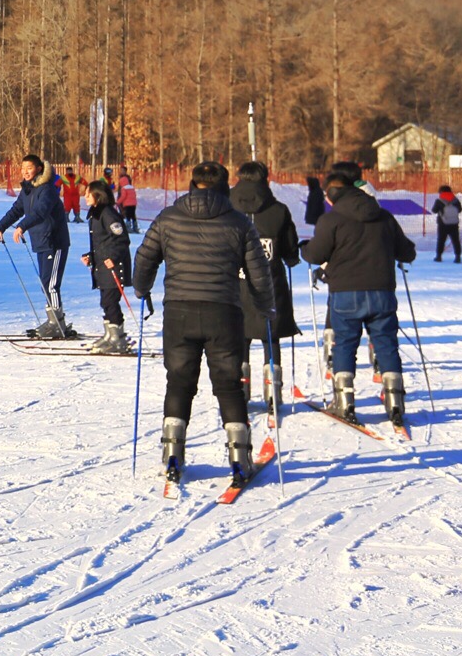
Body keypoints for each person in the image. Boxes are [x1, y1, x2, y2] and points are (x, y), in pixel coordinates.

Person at [131, 161, 278, 488]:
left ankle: (172, 453)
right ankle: (239, 459)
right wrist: (266, 305)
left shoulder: (167, 218)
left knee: (179, 381)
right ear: (225, 187)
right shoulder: (239, 223)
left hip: (179, 313)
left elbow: (144, 258)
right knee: (228, 384)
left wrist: (141, 286)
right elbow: (259, 273)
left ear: (192, 184)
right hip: (223, 312)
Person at [302, 170, 416, 428]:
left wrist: (304, 248)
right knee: (386, 344)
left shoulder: (332, 220)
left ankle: (344, 402)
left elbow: (315, 254)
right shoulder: (384, 216)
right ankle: (395, 402)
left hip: (346, 292)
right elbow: (407, 252)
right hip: (382, 291)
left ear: (331, 195)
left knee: (344, 344)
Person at [230, 161, 301, 412]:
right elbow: (290, 249)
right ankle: (273, 390)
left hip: (234, 284)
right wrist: (292, 255)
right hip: (270, 283)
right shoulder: (278, 210)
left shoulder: (226, 207)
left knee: (240, 338)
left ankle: (240, 389)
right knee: (270, 338)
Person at [0, 154, 72, 338]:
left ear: (38, 168)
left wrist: (22, 226)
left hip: (54, 242)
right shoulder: (27, 190)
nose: (25, 172)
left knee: (51, 285)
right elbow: (16, 209)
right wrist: (1, 227)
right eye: (23, 168)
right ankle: (53, 320)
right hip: (41, 242)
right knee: (45, 283)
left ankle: (56, 323)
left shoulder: (47, 189)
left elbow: (40, 212)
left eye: (29, 168)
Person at [80, 179, 133, 355]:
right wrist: (90, 256)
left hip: (114, 267)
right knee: (106, 301)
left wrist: (113, 257)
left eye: (88, 193)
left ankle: (118, 338)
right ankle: (110, 335)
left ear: (98, 195)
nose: (85, 196)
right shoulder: (96, 214)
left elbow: (122, 239)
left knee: (110, 301)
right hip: (102, 266)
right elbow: (102, 243)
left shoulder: (108, 213)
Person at [431, 185, 462, 262]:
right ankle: (458, 257)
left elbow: (434, 210)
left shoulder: (439, 200)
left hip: (442, 223)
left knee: (441, 240)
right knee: (456, 240)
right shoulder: (455, 200)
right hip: (454, 223)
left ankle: (438, 256)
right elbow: (460, 209)